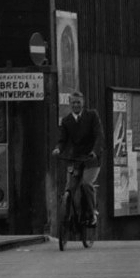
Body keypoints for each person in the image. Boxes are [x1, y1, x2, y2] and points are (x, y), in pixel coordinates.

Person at [55, 88, 103, 229]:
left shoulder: (92, 116)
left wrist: (95, 151)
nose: (76, 105)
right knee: (69, 188)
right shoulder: (66, 121)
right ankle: (68, 216)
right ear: (70, 104)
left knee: (86, 184)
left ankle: (92, 213)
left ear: (83, 103)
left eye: (78, 102)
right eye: (73, 103)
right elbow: (62, 140)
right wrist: (58, 149)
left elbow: (99, 135)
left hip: (91, 160)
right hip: (75, 160)